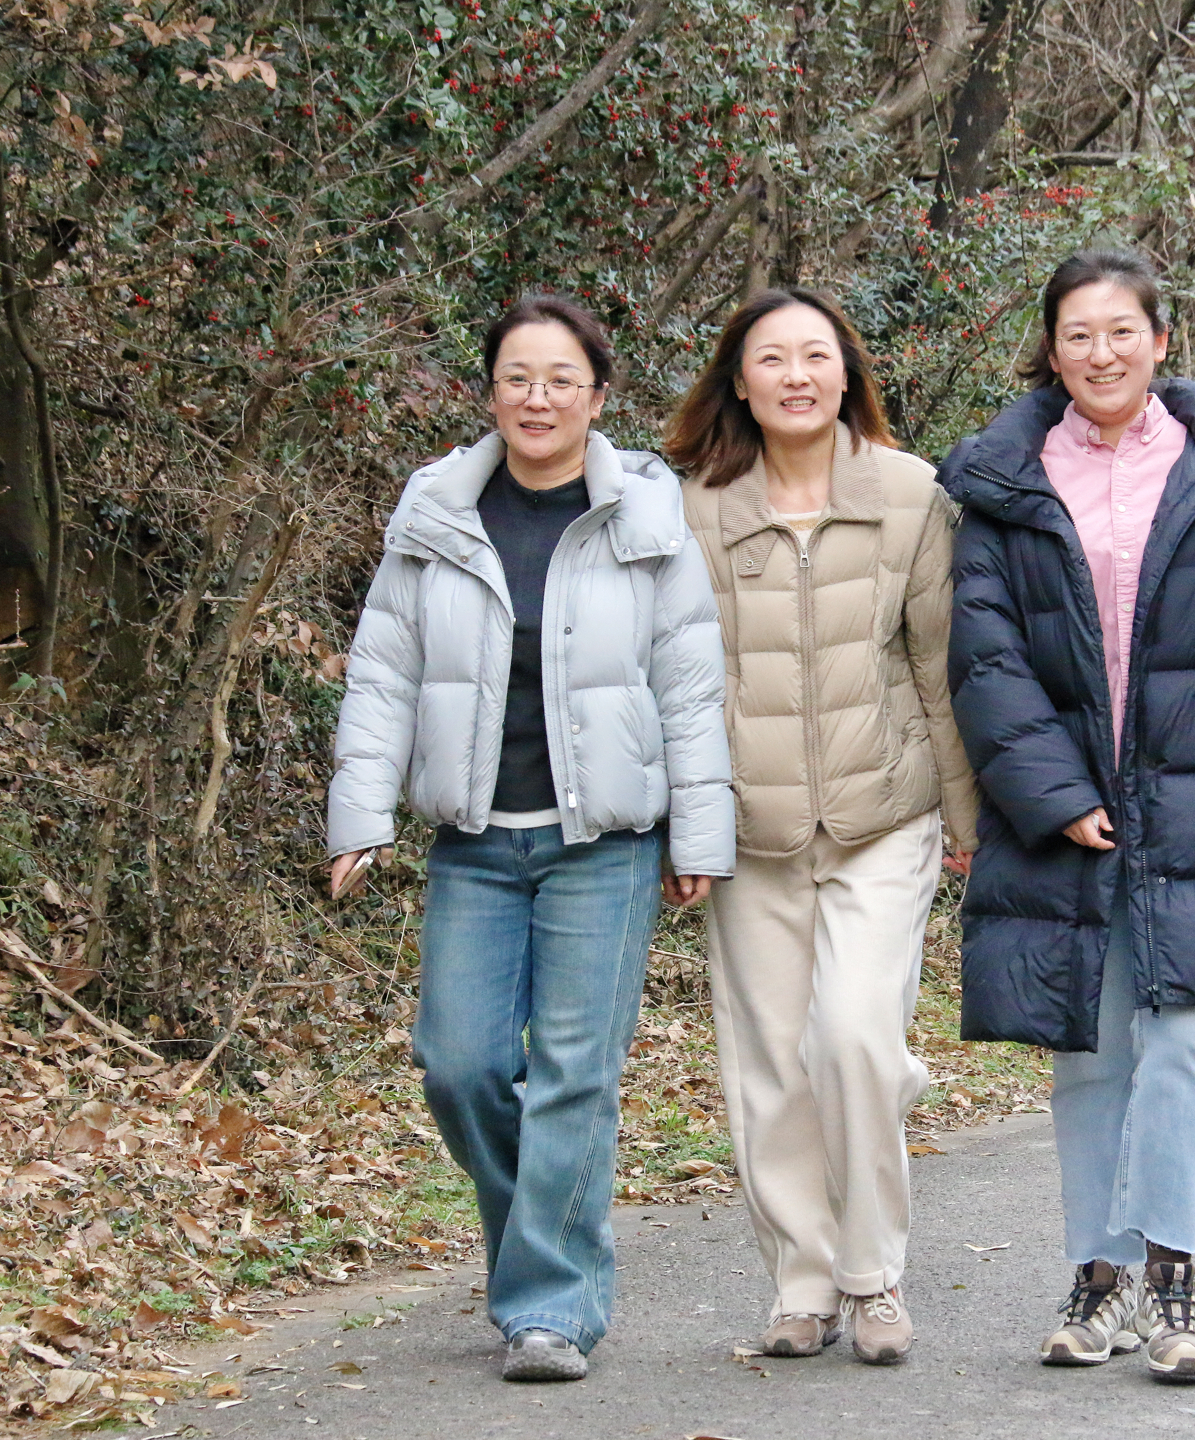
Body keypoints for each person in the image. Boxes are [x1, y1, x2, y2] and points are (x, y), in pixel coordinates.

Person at [941, 250, 1195, 1383]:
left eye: (1123, 331)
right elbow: (986, 654)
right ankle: (1099, 1277)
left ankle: (1170, 1278)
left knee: (1183, 1039)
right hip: (1069, 802)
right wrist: (1055, 796)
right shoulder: (1006, 476)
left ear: (1161, 342)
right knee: (1090, 1048)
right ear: (1052, 350)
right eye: (1078, 334)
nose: (1101, 352)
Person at [325, 295, 734, 1383]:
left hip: (604, 842)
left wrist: (699, 834)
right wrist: (360, 816)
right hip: (475, 841)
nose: (537, 398)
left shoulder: (646, 517)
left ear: (598, 397)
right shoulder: (435, 513)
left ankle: (550, 1306)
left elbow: (690, 686)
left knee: (571, 1076)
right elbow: (384, 674)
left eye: (561, 380)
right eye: (518, 378)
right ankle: (539, 1248)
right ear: (491, 393)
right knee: (458, 1065)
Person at [665, 288, 978, 1366]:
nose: (795, 376)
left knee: (852, 1037)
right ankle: (802, 1283)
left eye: (815, 356)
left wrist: (967, 813)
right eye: (771, 358)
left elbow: (938, 663)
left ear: (847, 373)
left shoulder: (910, 493)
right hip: (748, 824)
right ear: (738, 380)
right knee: (770, 1068)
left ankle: (873, 1275)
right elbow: (677, 680)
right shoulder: (696, 508)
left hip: (882, 811)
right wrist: (687, 825)